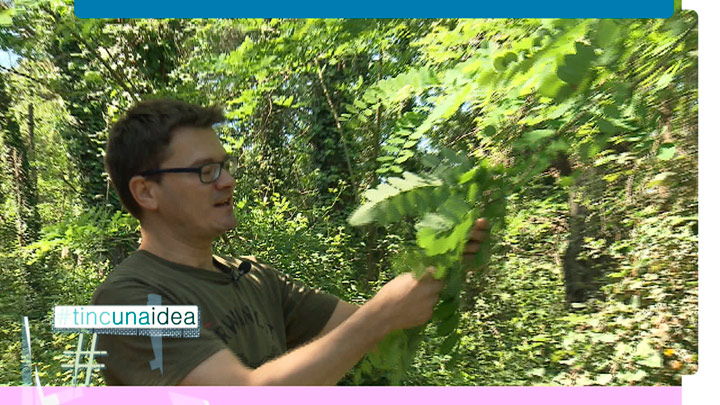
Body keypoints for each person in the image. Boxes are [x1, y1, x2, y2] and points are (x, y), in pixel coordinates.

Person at [91, 99, 490, 386]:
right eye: (205, 171)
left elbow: (380, 328)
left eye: (224, 166)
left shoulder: (253, 277)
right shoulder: (128, 300)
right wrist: (381, 316)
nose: (228, 181)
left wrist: (445, 256)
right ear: (146, 192)